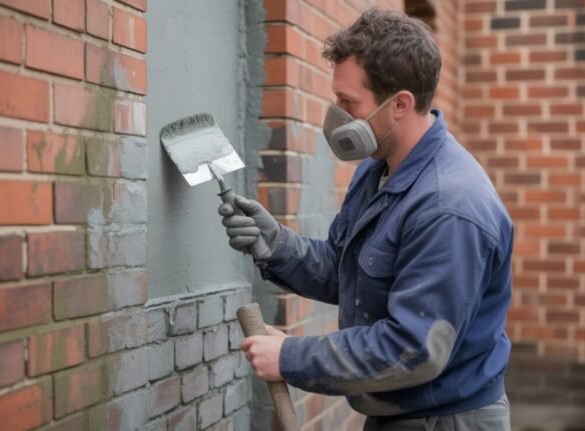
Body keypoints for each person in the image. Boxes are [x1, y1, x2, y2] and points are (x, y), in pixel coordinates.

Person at [219, 8, 513, 431]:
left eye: (348, 103)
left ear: (400, 104)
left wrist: (290, 356)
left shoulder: (448, 207)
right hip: (396, 413)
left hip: (447, 420)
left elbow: (412, 348)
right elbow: (347, 273)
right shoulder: (378, 169)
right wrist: (277, 246)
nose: (336, 114)